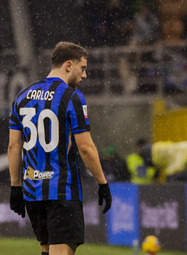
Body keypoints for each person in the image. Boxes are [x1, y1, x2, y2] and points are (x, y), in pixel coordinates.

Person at [7, 41, 112, 255]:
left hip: (33, 192)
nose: (84, 75)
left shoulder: (22, 96)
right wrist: (102, 182)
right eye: (82, 68)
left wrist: (16, 187)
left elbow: (13, 145)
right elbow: (86, 149)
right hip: (61, 191)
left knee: (47, 252)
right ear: (68, 65)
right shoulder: (72, 97)